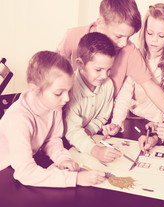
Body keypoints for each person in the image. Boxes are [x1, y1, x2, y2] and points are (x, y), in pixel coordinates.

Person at [56, 0, 164, 139]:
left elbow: (151, 87)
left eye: (128, 37)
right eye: (119, 36)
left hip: (99, 124)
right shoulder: (72, 37)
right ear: (101, 23)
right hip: (65, 119)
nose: (124, 43)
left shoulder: (130, 51)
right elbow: (52, 74)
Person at [0, 51, 106, 187]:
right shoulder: (19, 119)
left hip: (16, 169)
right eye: (58, 93)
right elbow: (25, 172)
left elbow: (52, 139)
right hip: (5, 174)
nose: (67, 98)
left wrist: (62, 159)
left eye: (68, 91)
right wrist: (75, 179)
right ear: (35, 90)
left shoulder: (53, 105)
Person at [110, 3, 164, 130]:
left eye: (161, 36)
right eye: (150, 33)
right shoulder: (135, 54)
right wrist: (117, 122)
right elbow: (126, 91)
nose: (154, 40)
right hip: (136, 118)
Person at [64, 32, 122, 164]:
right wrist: (96, 151)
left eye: (108, 70)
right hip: (64, 144)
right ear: (80, 64)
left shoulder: (108, 85)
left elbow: (102, 117)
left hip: (85, 140)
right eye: (98, 70)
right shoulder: (70, 88)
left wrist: (89, 130)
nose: (105, 76)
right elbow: (72, 132)